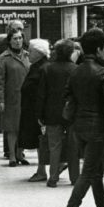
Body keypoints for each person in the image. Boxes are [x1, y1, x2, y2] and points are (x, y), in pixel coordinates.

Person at [61, 28, 104, 207]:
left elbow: (67, 96)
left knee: (95, 170)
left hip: (78, 125)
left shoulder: (75, 70)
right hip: (97, 126)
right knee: (90, 170)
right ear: (99, 49)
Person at [36, 38, 79, 188]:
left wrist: (40, 114)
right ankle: (75, 178)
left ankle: (53, 178)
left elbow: (41, 94)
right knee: (73, 146)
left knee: (54, 146)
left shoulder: (47, 69)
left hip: (52, 113)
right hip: (72, 113)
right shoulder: (75, 69)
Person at [0, 30, 30, 167]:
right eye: (15, 38)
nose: (18, 41)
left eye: (20, 38)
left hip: (27, 98)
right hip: (11, 97)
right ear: (9, 41)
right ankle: (11, 156)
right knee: (11, 128)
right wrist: (0, 100)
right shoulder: (3, 58)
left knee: (24, 127)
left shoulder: (28, 55)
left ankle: (20, 153)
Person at [19, 39, 51, 182]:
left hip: (37, 110)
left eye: (30, 51)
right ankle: (43, 168)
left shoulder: (42, 68)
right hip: (33, 109)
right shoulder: (36, 66)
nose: (27, 53)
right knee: (40, 141)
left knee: (41, 141)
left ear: (38, 53)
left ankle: (42, 170)